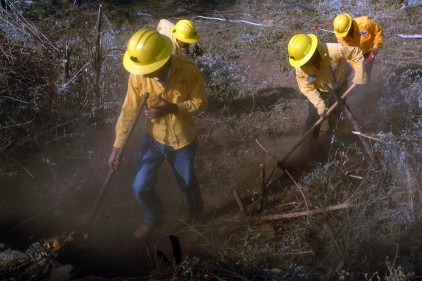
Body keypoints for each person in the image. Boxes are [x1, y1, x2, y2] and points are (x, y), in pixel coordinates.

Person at [108, 28, 208, 238]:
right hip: (154, 139)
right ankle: (154, 218)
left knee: (187, 183)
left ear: (163, 60)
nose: (143, 74)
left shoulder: (188, 70)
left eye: (148, 69)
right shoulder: (137, 76)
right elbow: (128, 111)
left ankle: (197, 213)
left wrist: (173, 108)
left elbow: (200, 103)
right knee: (140, 187)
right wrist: (117, 146)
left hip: (182, 141)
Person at [287, 33, 367, 136]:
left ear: (313, 52)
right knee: (313, 118)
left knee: (337, 113)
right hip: (319, 90)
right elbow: (306, 87)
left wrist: (359, 76)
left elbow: (356, 53)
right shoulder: (301, 68)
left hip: (339, 86)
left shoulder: (333, 51)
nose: (304, 65)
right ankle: (308, 146)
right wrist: (319, 104)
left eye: (306, 61)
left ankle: (335, 136)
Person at [333, 13, 383, 81]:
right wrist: (356, 67)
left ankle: (368, 87)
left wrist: (376, 46)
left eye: (347, 33)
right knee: (344, 71)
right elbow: (348, 52)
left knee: (366, 73)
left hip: (369, 53)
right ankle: (343, 85)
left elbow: (378, 31)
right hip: (353, 56)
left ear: (350, 26)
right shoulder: (341, 36)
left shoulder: (365, 23)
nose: (346, 36)